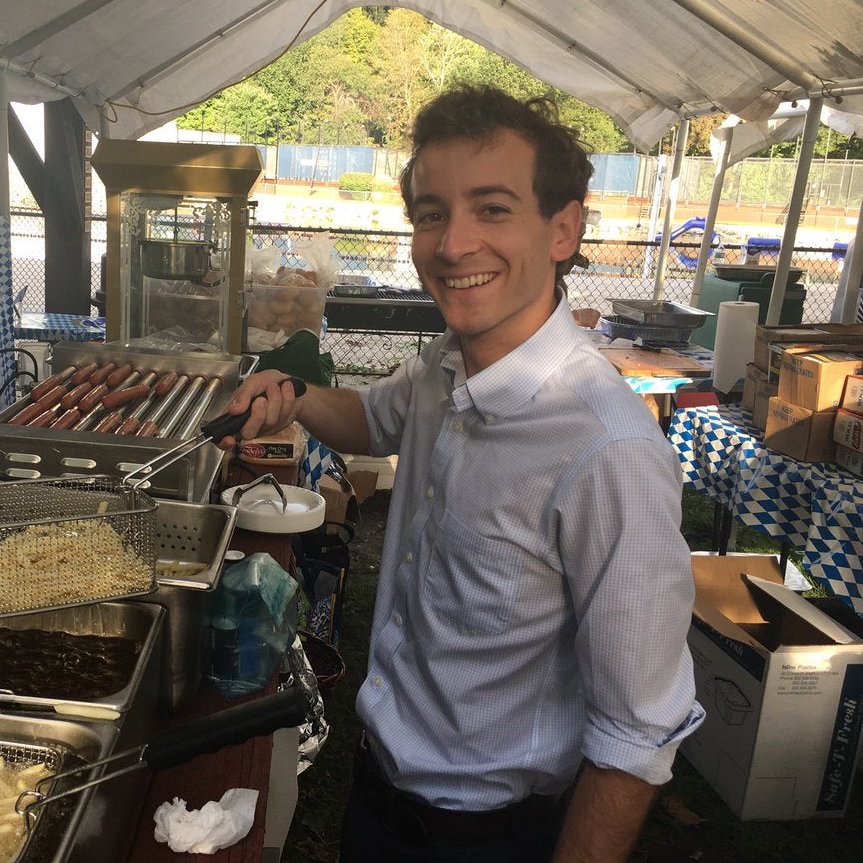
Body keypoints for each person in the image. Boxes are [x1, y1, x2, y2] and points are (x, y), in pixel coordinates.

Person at [221, 84, 704, 862]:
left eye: (492, 208)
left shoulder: (606, 451)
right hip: (378, 793)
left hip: (492, 836)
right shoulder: (443, 367)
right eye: (431, 213)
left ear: (563, 228)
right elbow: (370, 420)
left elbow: (637, 733)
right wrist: (300, 396)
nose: (451, 245)